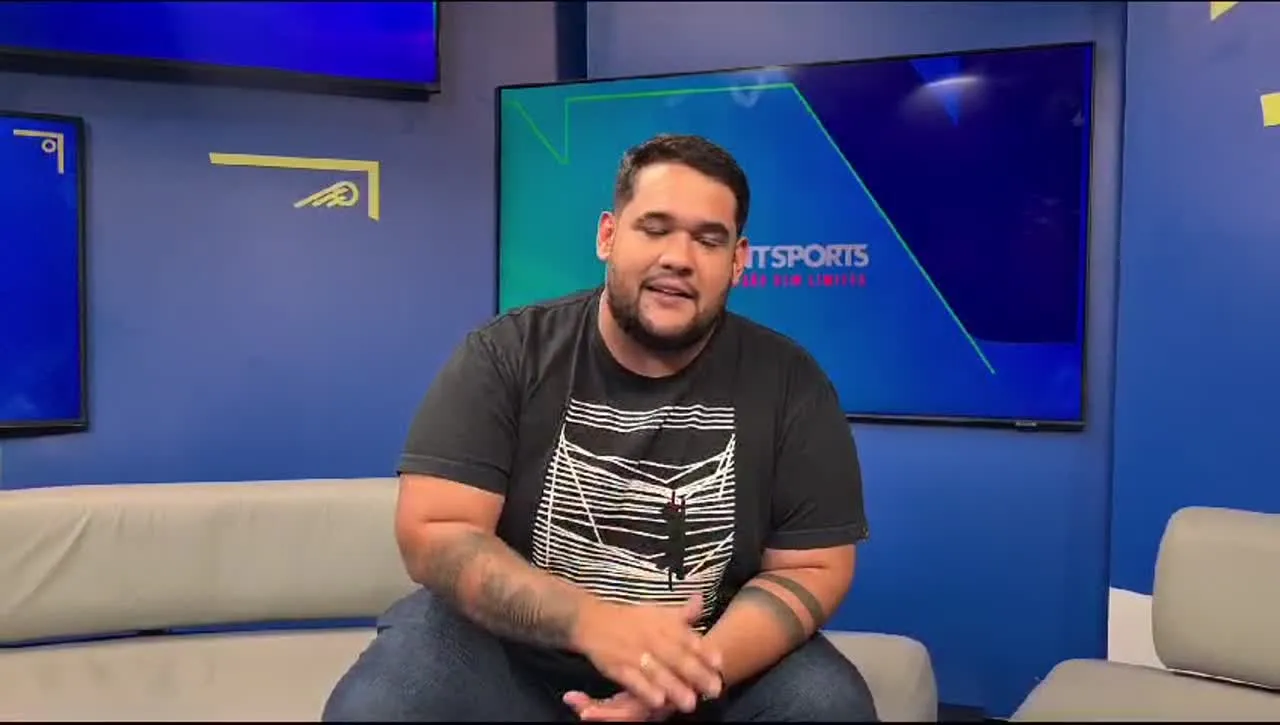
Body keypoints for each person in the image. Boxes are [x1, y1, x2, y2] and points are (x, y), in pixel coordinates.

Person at [322, 134, 877, 722]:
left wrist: (682, 677)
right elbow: (435, 532)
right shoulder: (507, 355)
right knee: (376, 708)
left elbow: (812, 567)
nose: (679, 257)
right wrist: (592, 623)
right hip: (512, 660)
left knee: (828, 707)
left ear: (737, 261)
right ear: (608, 236)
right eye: (655, 229)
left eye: (708, 239)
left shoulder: (790, 382)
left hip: (706, 664)